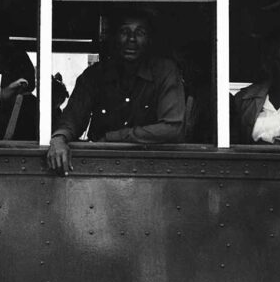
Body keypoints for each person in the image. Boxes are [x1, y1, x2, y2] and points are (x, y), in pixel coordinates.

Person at [47, 9, 185, 174]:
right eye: (124, 32)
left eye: (140, 33)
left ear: (149, 40)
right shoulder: (95, 75)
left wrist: (114, 137)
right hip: (100, 169)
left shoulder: (165, 71)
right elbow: (72, 118)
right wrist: (59, 139)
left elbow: (172, 127)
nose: (131, 39)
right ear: (113, 38)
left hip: (152, 169)